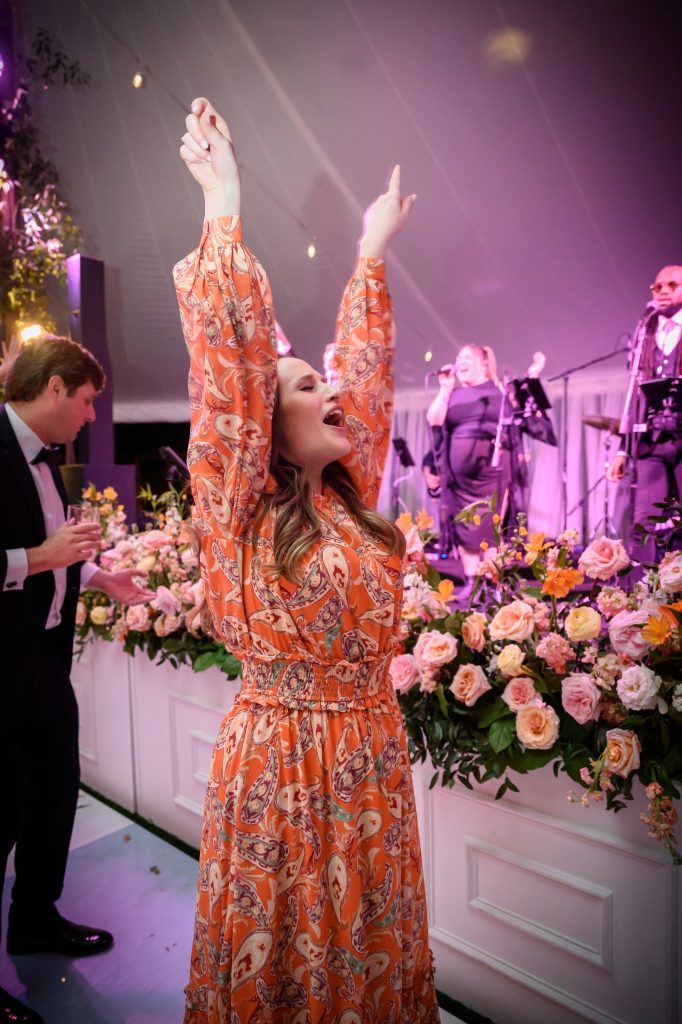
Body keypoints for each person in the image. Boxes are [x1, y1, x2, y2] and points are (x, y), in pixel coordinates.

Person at [174, 97, 438, 1023]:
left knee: (364, 951)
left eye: (325, 381)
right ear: (261, 424)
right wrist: (224, 202)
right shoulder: (239, 504)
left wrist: (371, 252)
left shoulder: (349, 503)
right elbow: (228, 364)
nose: (331, 390)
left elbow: (364, 371)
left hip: (369, 759)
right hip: (282, 763)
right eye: (303, 384)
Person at [0, 336, 152, 1024]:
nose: (93, 415)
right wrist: (37, 558)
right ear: (56, 386)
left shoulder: (42, 455)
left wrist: (95, 575)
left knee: (55, 797)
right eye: (88, 400)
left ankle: (34, 918)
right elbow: (34, 550)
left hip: (44, 664)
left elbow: (51, 541)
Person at [607, 265, 682, 564]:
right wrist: (623, 450)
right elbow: (633, 394)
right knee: (645, 521)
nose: (663, 291)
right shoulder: (646, 330)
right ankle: (644, 600)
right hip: (650, 440)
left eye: (672, 285)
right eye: (657, 287)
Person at [426, 345, 509, 597]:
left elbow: (510, 428)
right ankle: (472, 583)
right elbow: (434, 420)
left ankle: (492, 583)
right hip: (458, 481)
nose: (460, 361)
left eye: (467, 357)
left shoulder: (498, 392)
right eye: (458, 357)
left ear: (484, 364)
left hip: (489, 475)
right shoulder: (453, 394)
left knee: (488, 527)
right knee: (464, 527)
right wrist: (445, 389)